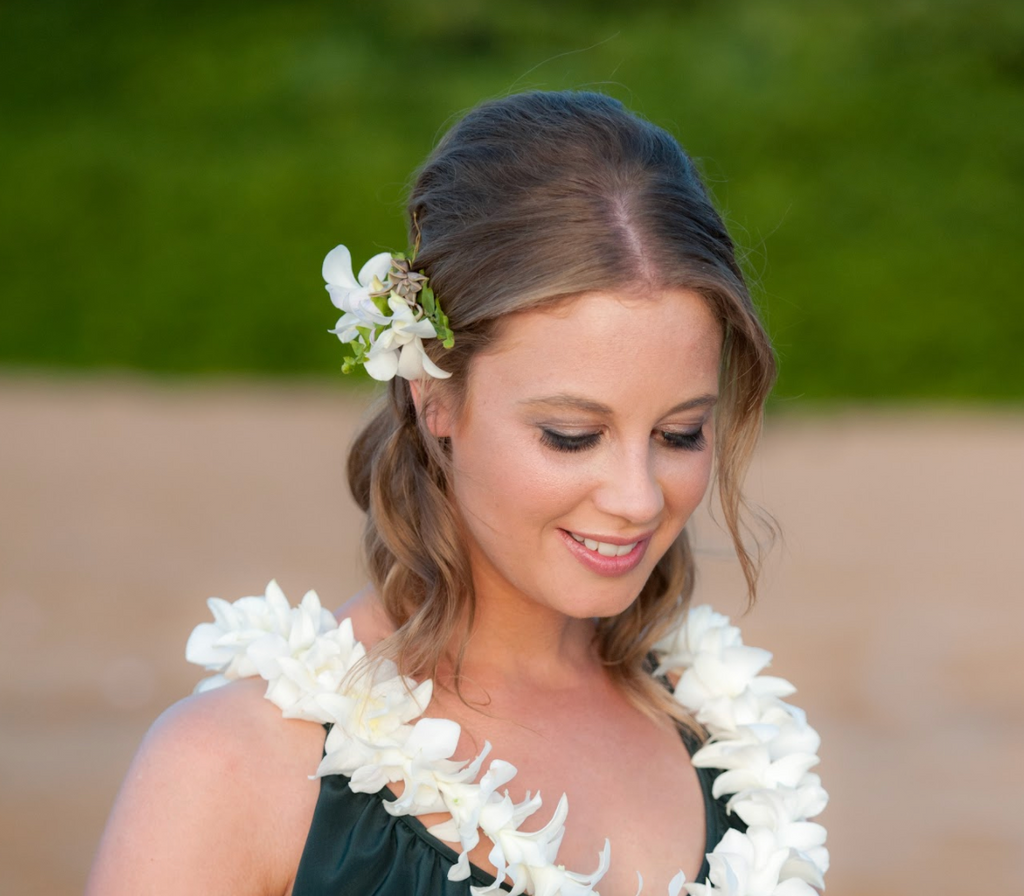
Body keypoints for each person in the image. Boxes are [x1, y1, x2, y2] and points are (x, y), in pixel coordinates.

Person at [86, 90, 828, 896]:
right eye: (572, 435)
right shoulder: (233, 768)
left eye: (680, 433)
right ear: (432, 394)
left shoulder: (728, 737)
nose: (638, 498)